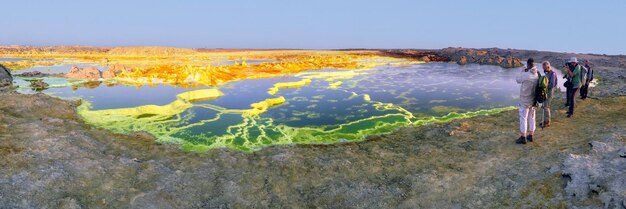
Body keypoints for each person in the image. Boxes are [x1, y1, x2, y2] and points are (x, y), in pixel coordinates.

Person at [515, 58, 539, 144]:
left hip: (525, 100)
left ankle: (523, 137)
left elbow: (517, 79)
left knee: (523, 118)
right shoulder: (537, 74)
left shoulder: (526, 75)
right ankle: (531, 135)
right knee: (532, 118)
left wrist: (522, 71)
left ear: (528, 64)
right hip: (533, 100)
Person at [541, 61, 558, 127]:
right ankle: (545, 120)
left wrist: (544, 86)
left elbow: (552, 84)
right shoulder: (547, 73)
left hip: (549, 93)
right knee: (545, 106)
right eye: (543, 68)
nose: (543, 70)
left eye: (544, 68)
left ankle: (547, 122)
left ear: (548, 67)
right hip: (546, 92)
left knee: (546, 107)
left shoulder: (553, 74)